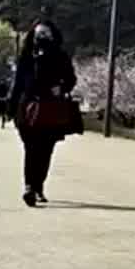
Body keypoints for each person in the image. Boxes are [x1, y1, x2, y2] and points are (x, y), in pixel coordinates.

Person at [9, 18, 79, 207]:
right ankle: (29, 187)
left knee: (45, 151)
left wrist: (61, 87)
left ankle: (38, 185)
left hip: (51, 109)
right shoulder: (26, 56)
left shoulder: (60, 56)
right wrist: (11, 105)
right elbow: (18, 83)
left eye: (45, 34)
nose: (42, 37)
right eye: (39, 34)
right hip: (28, 107)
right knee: (31, 149)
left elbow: (71, 79)